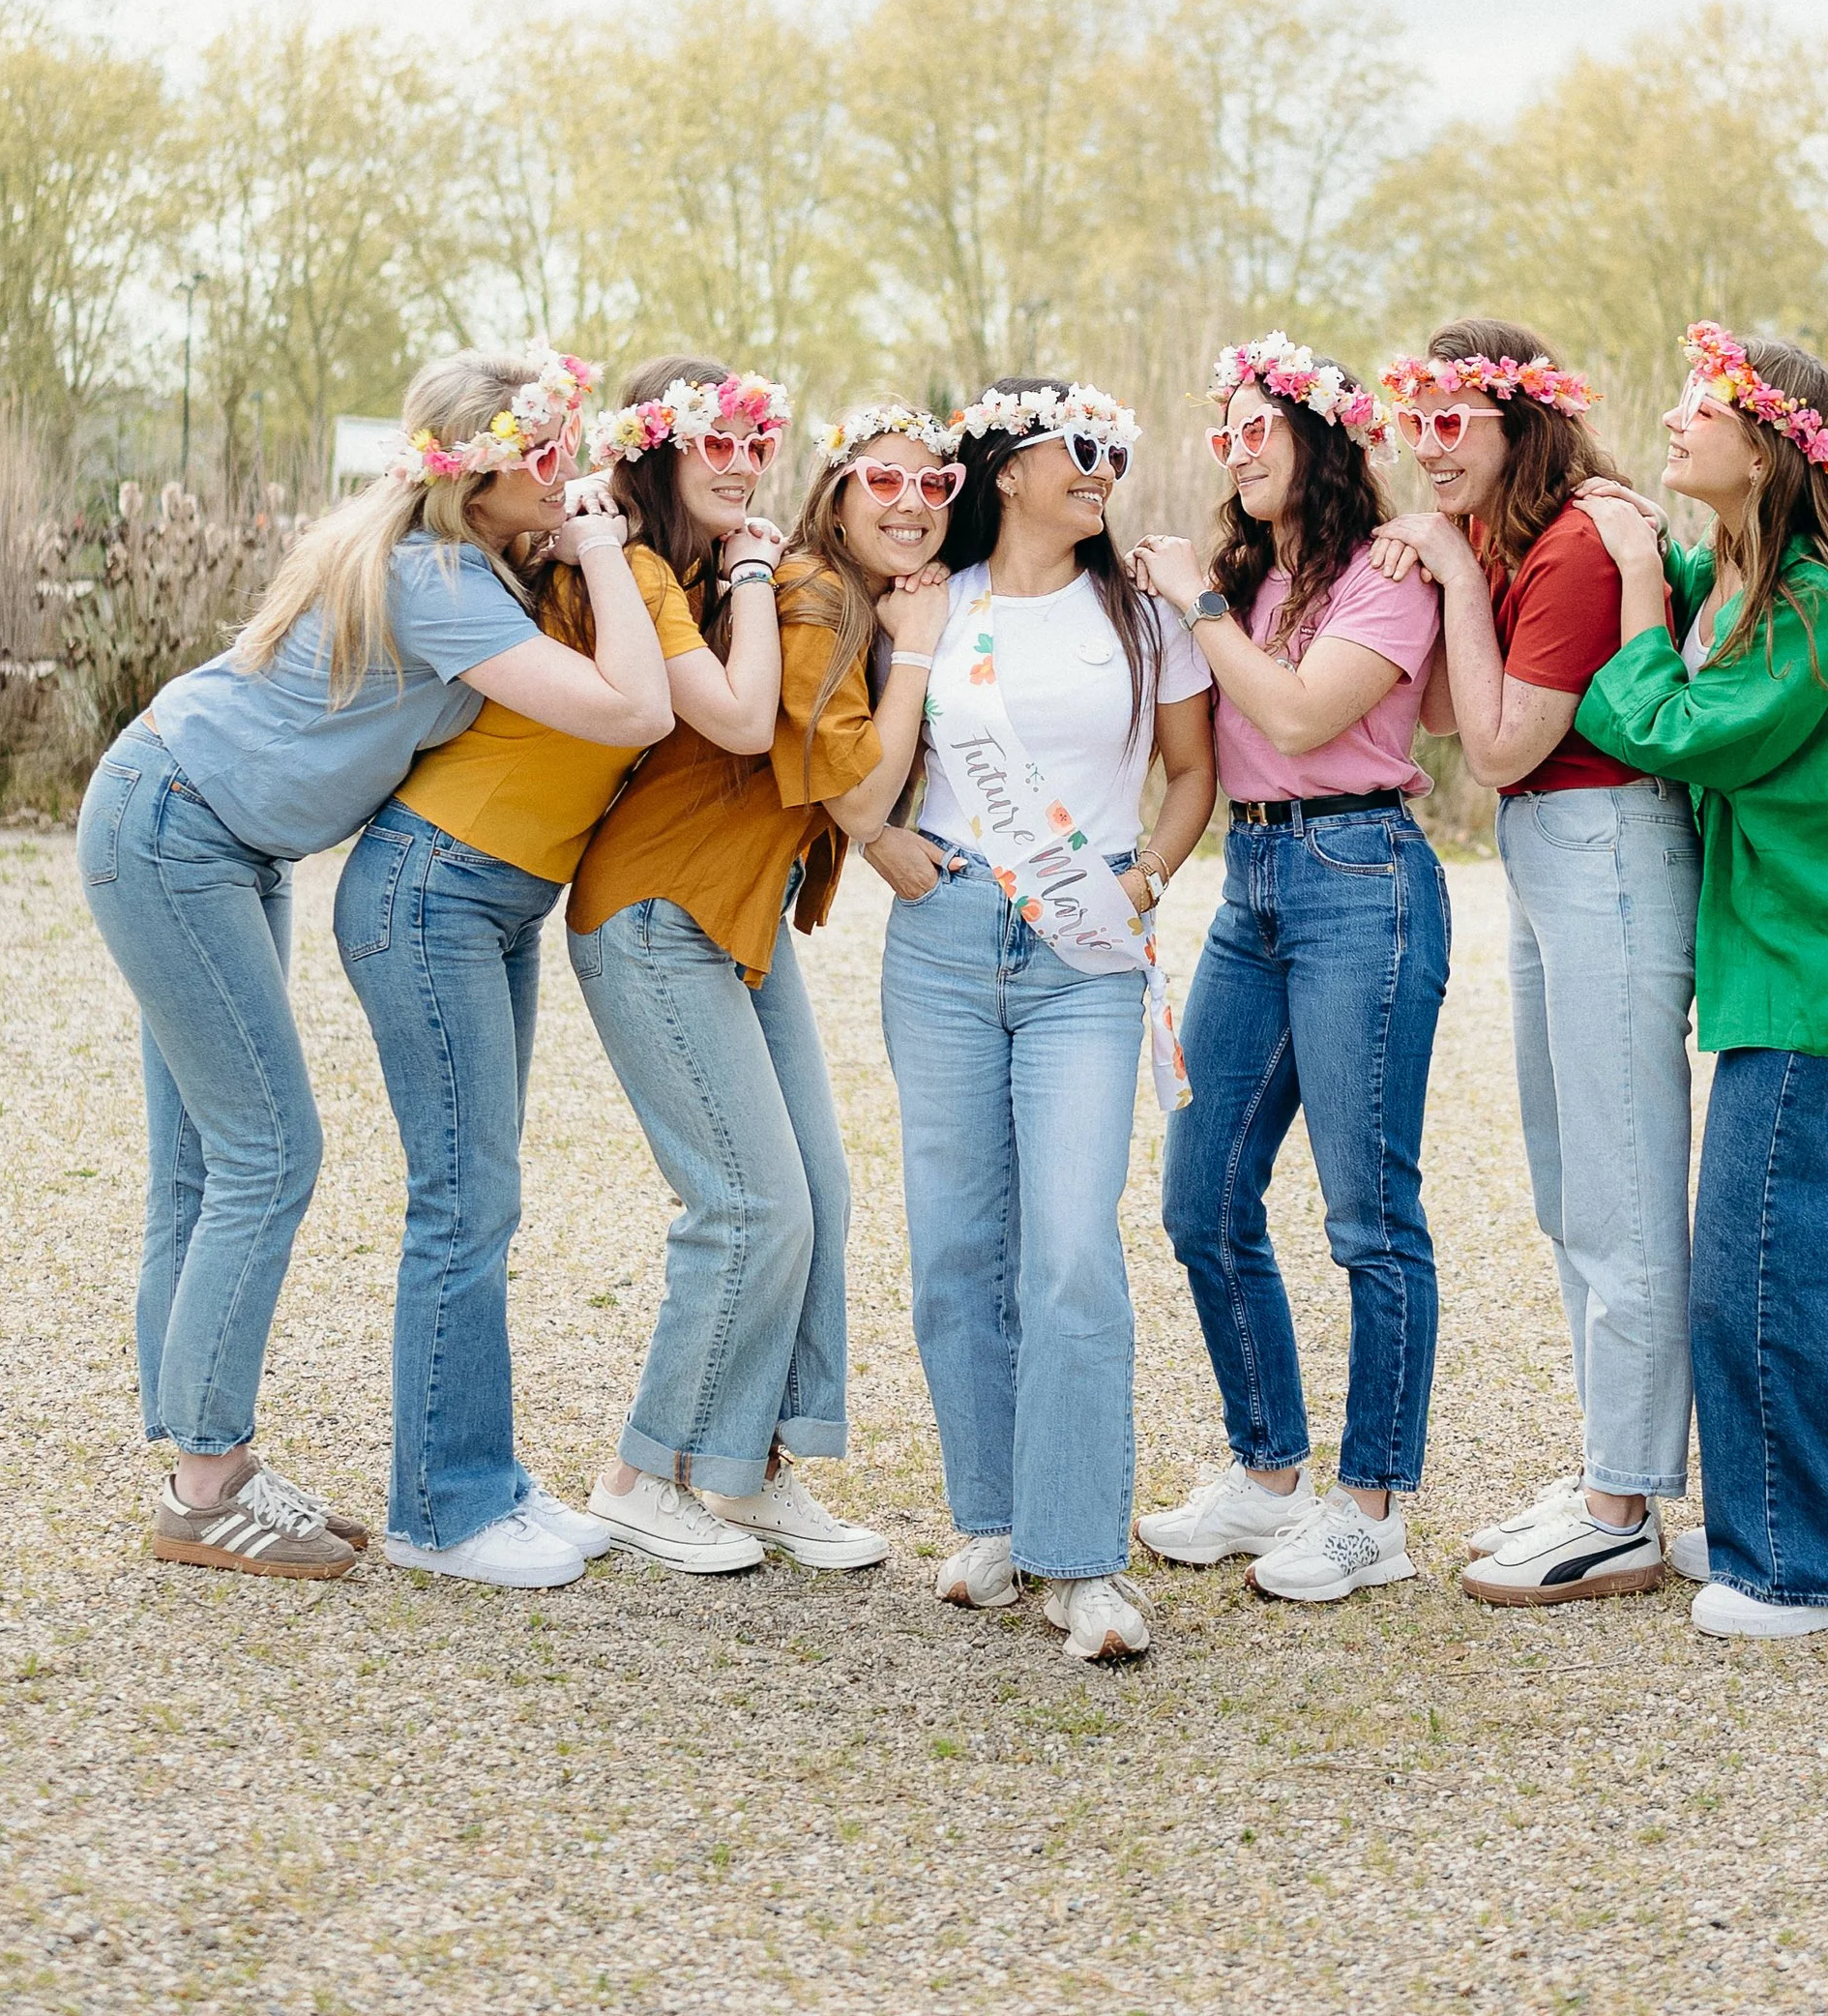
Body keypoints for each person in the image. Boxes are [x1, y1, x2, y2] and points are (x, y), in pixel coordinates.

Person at [75, 347, 674, 1583]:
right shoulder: (435, 577)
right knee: (264, 1152)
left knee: (202, 1158)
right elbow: (633, 709)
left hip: (210, 830)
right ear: (474, 475)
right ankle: (202, 1484)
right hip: (176, 827)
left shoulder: (450, 562)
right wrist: (607, 551)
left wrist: (552, 548)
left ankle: (206, 1464)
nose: (567, 476)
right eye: (543, 458)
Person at [344, 363, 787, 1589]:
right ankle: (440, 1514)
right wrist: (735, 566)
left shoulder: (591, 556)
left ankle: (486, 1484)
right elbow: (719, 719)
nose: (556, 474)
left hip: (496, 899)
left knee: (484, 1197)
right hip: (432, 882)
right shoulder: (620, 562)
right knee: (463, 1200)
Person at [1575, 325, 1828, 1641]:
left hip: (1816, 975)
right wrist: (1633, 543)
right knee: (1815, 1262)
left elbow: (1669, 726)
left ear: (1773, 445)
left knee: (1764, 1272)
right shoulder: (1743, 576)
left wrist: (1629, 589)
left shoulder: (1817, 608)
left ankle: (1816, 1565)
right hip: (1793, 970)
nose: (1673, 418)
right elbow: (1696, 611)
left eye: (1701, 404)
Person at [562, 365, 929, 1579]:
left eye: (752, 441)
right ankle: (637, 1473)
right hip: (660, 909)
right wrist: (905, 655)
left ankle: (749, 1467)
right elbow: (829, 772)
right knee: (751, 1206)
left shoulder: (785, 577)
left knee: (815, 1192)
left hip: (738, 924)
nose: (738, 462)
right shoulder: (787, 585)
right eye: (882, 476)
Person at [883, 378, 1216, 1664]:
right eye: (1081, 447)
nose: (1105, 468)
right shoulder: (930, 604)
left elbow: (1190, 775)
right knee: (956, 1244)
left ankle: (1082, 1560)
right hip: (947, 940)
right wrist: (878, 845)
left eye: (1115, 453)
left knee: (1072, 1244)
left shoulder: (1137, 614)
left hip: (1087, 946)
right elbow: (866, 764)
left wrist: (1144, 881)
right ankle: (996, 1519)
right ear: (1007, 466)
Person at [1369, 320, 1697, 1607]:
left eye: (1457, 420)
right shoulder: (1515, 547)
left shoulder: (1566, 550)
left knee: (1618, 1178)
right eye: (1420, 419)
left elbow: (1497, 742)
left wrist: (1456, 572)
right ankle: (1607, 1464)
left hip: (1607, 850)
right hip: (1552, 856)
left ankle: (1626, 1505)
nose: (1429, 443)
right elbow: (1450, 709)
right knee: (1569, 1182)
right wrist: (1452, 568)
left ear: (1523, 424)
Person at [1130, 334, 1444, 1609]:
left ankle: (1372, 1509)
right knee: (1201, 1196)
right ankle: (1270, 1483)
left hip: (1361, 877)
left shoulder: (1387, 573)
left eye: (1255, 424)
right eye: (1224, 432)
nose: (1234, 448)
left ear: (1316, 433)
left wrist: (1197, 600)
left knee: (1369, 1213)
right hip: (1250, 887)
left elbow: (1307, 715)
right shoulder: (1255, 579)